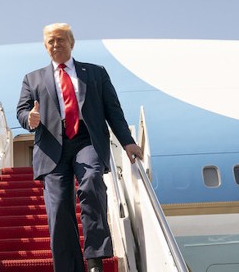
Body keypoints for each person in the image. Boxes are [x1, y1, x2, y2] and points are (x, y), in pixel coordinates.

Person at [17, 23, 144, 272]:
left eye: (61, 40)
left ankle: (95, 258)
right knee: (58, 208)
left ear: (71, 43)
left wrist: (127, 142)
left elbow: (113, 111)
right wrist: (29, 119)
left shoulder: (96, 73)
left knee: (91, 181)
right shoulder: (32, 79)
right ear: (45, 46)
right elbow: (22, 111)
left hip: (86, 139)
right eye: (51, 41)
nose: (56, 45)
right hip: (52, 145)